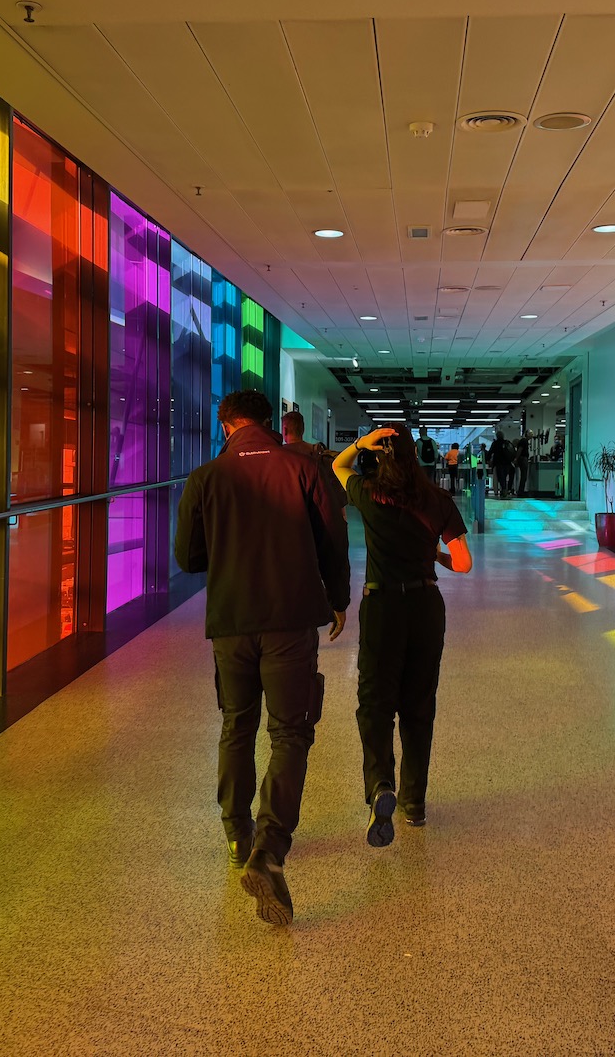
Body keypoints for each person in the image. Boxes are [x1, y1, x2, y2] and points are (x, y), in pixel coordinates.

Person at [175, 390, 350, 926]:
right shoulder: (302, 468)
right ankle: (270, 849)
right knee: (290, 733)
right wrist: (337, 599)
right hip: (290, 622)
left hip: (231, 623)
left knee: (236, 724)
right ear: (269, 424)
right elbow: (332, 539)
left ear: (226, 425)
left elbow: (188, 557)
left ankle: (236, 835)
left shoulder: (205, 478)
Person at [333, 425, 472, 845]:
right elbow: (464, 564)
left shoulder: (369, 492)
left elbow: (339, 465)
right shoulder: (438, 500)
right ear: (417, 456)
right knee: (418, 707)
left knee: (374, 705)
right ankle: (415, 804)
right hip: (426, 607)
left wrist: (362, 443)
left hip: (382, 607)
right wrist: (436, 556)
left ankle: (380, 787)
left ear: (381, 457)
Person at [283, 410, 347, 514]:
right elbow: (338, 498)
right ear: (302, 430)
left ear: (285, 430)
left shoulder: (279, 455)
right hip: (318, 515)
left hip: (289, 515)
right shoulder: (319, 454)